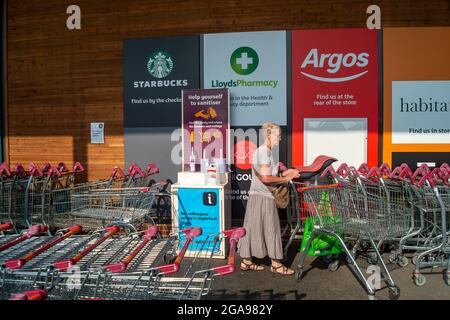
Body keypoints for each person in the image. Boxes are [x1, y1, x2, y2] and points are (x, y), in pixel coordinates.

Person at [238, 122, 300, 275]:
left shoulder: (264, 152)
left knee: (252, 228)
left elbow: (267, 176)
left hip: (257, 196)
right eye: (277, 136)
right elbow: (265, 178)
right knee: (271, 229)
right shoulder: (264, 152)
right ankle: (276, 264)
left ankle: (246, 261)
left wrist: (284, 174)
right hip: (263, 197)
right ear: (268, 135)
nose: (279, 139)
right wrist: (286, 179)